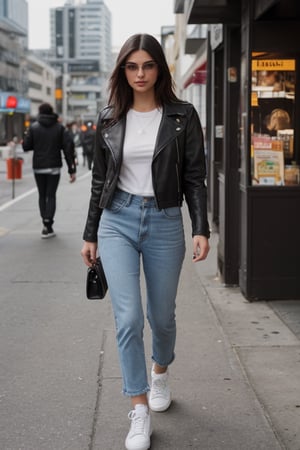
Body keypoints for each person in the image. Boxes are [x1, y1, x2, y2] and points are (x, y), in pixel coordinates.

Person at [81, 34, 210, 450]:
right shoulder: (109, 118)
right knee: (129, 318)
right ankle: (138, 409)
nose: (140, 74)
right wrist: (90, 233)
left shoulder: (182, 116)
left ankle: (160, 371)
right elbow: (101, 181)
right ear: (123, 71)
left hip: (164, 219)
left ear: (160, 69)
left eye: (147, 66)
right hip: (116, 220)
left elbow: (194, 176)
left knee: (162, 317)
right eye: (132, 67)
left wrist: (201, 227)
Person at [23, 103, 76, 238]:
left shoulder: (34, 127)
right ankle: (48, 224)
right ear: (52, 112)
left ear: (40, 112)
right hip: (54, 166)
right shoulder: (59, 128)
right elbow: (68, 148)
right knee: (51, 195)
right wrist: (71, 169)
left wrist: (27, 136)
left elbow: (26, 146)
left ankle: (45, 223)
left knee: (42, 195)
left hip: (39, 166)